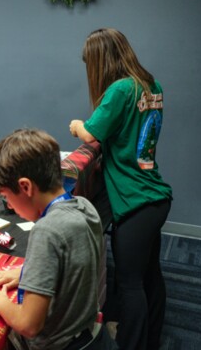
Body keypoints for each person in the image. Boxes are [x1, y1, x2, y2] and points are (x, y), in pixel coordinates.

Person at [0, 129, 117, 350]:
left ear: (26, 187)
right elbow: (73, 264)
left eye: (7, 197)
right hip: (92, 338)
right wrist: (30, 272)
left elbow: (28, 325)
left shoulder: (46, 231)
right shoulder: (85, 207)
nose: (10, 207)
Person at [69, 28, 173, 350]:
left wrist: (75, 125)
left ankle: (132, 345)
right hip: (154, 194)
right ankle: (151, 340)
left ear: (101, 59)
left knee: (129, 284)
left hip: (135, 200)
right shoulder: (149, 84)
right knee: (150, 275)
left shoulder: (119, 89)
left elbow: (90, 133)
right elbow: (126, 132)